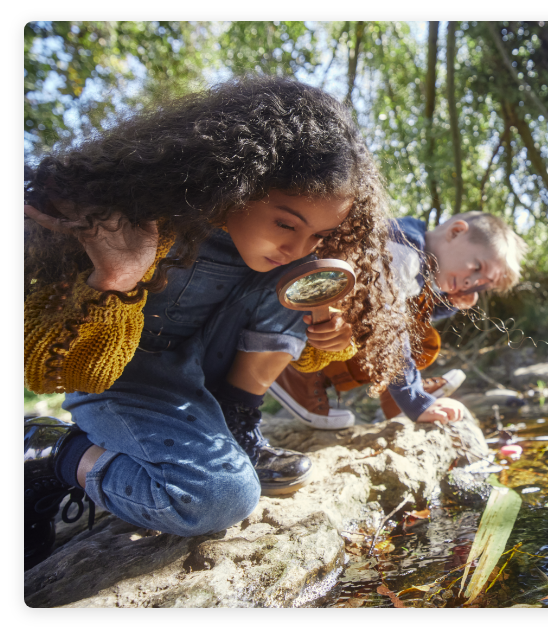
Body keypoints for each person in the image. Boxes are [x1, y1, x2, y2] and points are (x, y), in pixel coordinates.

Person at [23, 76, 410, 570]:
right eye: (286, 223)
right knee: (217, 500)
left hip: (203, 376)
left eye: (320, 234)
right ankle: (53, 451)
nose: (300, 246)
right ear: (236, 181)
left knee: (298, 274)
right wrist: (116, 279)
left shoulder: (296, 258)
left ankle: (238, 427)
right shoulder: (131, 223)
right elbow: (56, 373)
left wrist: (328, 330)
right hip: (126, 383)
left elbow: (310, 355)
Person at [268, 211, 528, 428]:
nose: (473, 282)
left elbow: (416, 313)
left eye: (483, 284)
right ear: (456, 231)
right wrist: (414, 400)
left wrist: (450, 301)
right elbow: (390, 330)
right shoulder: (404, 251)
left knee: (422, 339)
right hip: (297, 325)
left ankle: (392, 404)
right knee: (397, 333)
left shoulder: (420, 257)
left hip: (325, 333)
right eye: (477, 267)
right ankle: (292, 376)